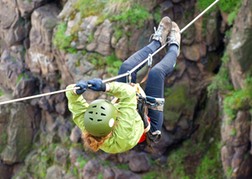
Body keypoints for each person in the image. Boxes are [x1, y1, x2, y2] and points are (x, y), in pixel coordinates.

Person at [66, 16, 181, 154]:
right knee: (156, 73)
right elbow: (129, 93)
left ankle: (157, 42)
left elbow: (74, 103)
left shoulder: (89, 124)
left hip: (127, 108)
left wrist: (75, 91)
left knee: (126, 67)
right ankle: (174, 47)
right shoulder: (122, 133)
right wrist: (105, 87)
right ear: (113, 124)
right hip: (147, 123)